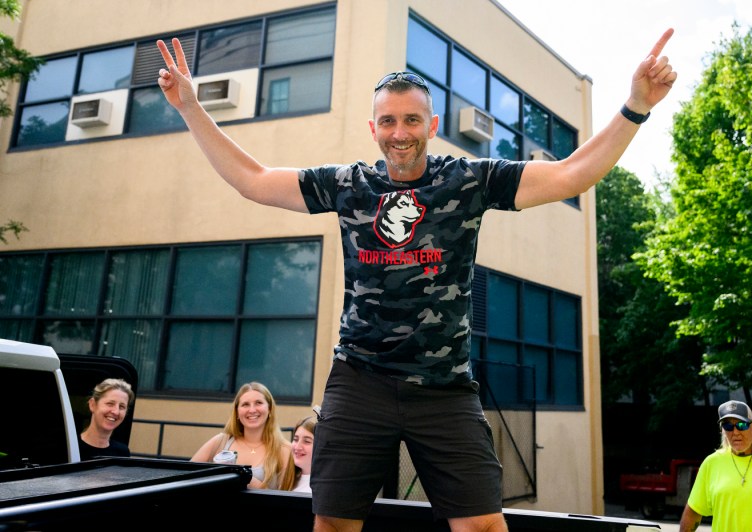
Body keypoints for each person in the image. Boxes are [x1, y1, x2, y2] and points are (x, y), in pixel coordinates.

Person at [157, 28, 677, 531]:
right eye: (388, 121)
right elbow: (253, 180)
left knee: (481, 523)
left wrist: (636, 106)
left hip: (444, 389)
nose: (399, 132)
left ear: (431, 125)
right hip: (359, 382)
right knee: (333, 521)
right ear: (373, 128)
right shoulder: (348, 185)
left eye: (411, 120)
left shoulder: (470, 180)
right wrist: (190, 107)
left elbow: (573, 173)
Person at [679, 400, 752, 532]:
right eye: (728, 426)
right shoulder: (711, 463)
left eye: (742, 425)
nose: (735, 432)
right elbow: (693, 512)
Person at [191, 382, 294, 490]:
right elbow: (185, 477)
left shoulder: (284, 450)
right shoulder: (220, 442)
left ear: (270, 409)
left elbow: (285, 499)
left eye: (258, 403)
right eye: (245, 404)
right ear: (237, 413)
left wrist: (242, 476)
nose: (252, 410)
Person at [79, 378, 134, 460]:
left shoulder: (122, 453)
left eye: (122, 407)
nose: (116, 412)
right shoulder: (68, 447)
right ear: (92, 405)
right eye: (110, 404)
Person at [291, 414, 317, 493]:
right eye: (296, 439)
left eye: (307, 441)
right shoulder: (286, 477)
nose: (298, 447)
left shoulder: (321, 487)